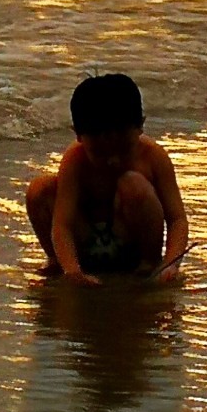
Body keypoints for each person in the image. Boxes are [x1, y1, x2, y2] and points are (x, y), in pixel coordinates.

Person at [26, 73, 189, 284]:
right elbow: (62, 223)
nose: (112, 160)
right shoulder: (75, 159)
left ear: (140, 126)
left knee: (134, 184)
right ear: (78, 135)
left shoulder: (153, 156)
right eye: (99, 153)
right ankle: (58, 262)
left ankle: (149, 264)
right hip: (86, 242)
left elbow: (177, 219)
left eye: (123, 150)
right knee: (40, 188)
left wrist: (171, 263)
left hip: (130, 245)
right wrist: (72, 270)